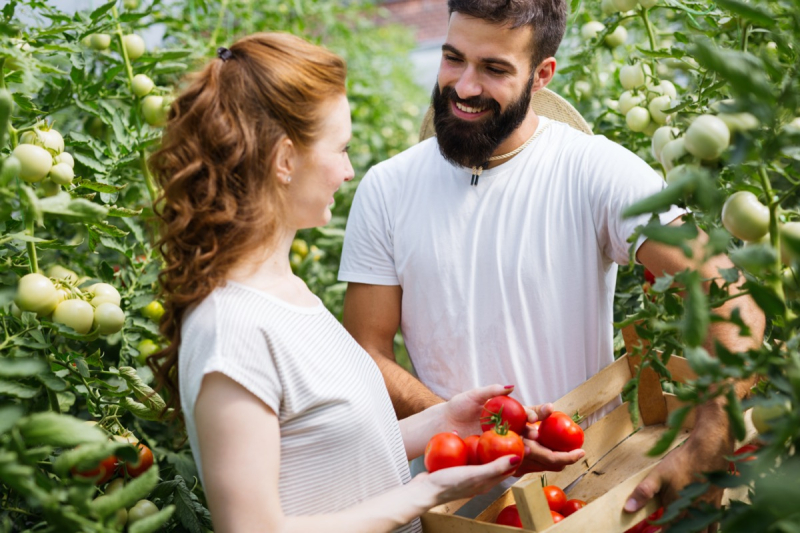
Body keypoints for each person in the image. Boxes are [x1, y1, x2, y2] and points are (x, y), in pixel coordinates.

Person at [338, 0, 765, 524]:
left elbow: (729, 298)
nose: (465, 87)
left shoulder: (596, 171)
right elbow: (367, 350)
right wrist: (467, 430)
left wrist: (708, 444)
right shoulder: (387, 188)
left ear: (542, 74)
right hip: (459, 503)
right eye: (453, 59)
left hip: (587, 488)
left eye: (494, 69)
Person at [147, 32, 534, 533]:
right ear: (285, 160)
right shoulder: (233, 330)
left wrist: (444, 422)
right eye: (342, 148)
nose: (349, 170)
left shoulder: (286, 292)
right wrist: (423, 492)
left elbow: (329, 450)